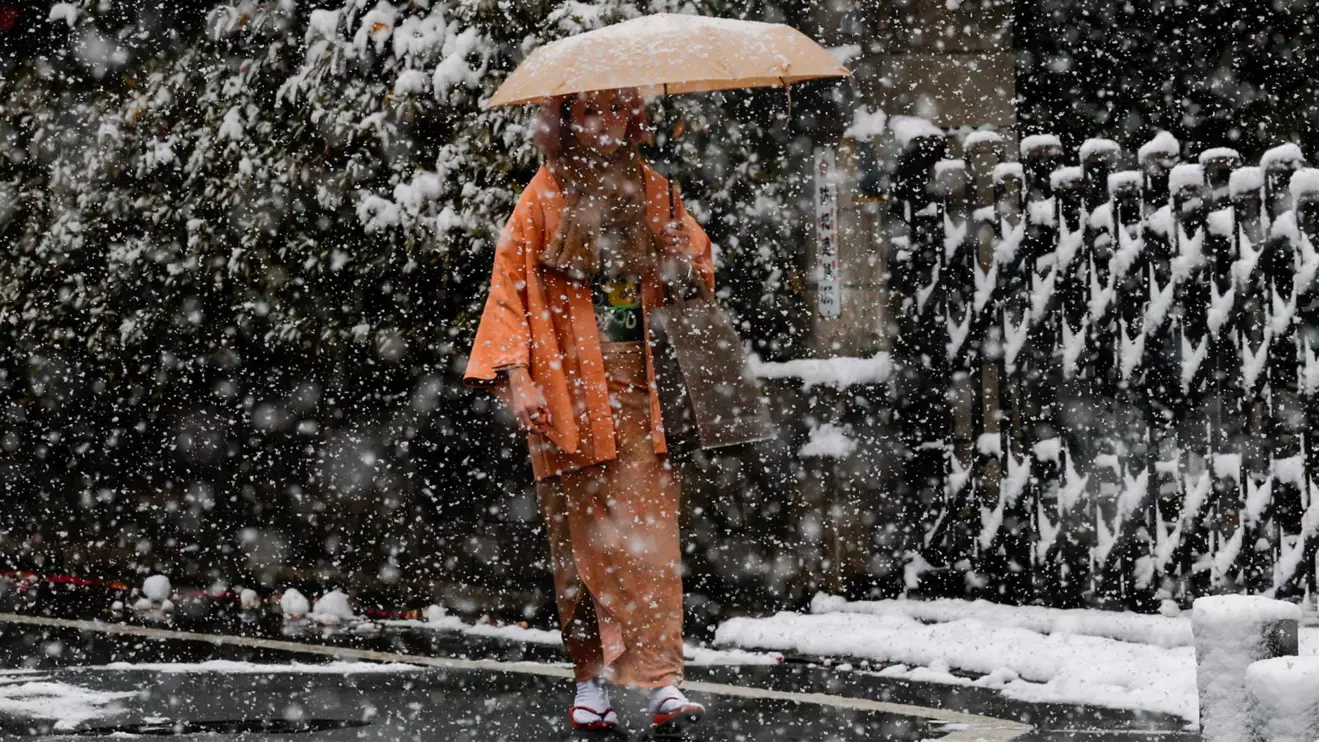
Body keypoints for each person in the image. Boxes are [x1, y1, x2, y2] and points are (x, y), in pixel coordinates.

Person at [463, 86, 713, 734]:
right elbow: (508, 292)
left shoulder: (658, 191)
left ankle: (662, 681)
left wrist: (678, 255)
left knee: (651, 541)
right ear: (566, 119)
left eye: (615, 108)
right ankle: (590, 680)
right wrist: (518, 378)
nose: (604, 122)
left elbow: (694, 281)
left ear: (634, 114)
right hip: (567, 394)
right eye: (589, 110)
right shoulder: (541, 197)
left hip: (641, 391)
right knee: (576, 547)